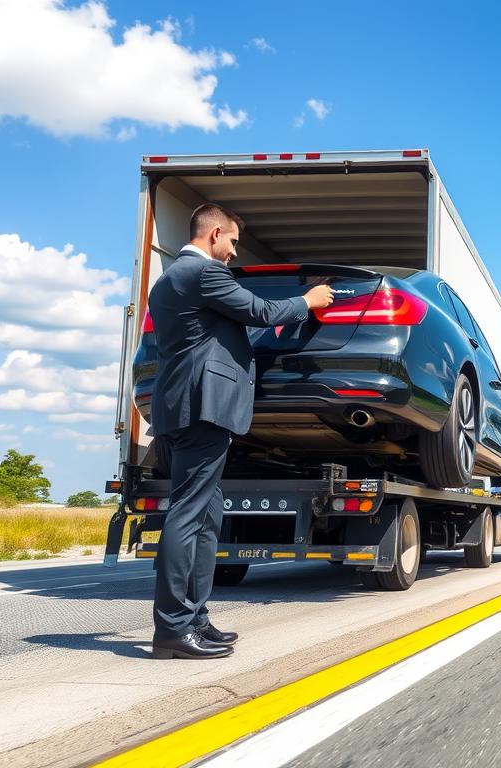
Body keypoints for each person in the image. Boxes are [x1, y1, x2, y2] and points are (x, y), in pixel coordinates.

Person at [147, 203, 333, 660]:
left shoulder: (168, 280)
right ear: (213, 234)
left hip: (183, 405)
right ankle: (171, 628)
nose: (233, 252)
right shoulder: (203, 274)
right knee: (189, 514)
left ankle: (195, 618)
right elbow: (262, 311)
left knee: (209, 516)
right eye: (231, 242)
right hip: (202, 407)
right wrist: (307, 302)